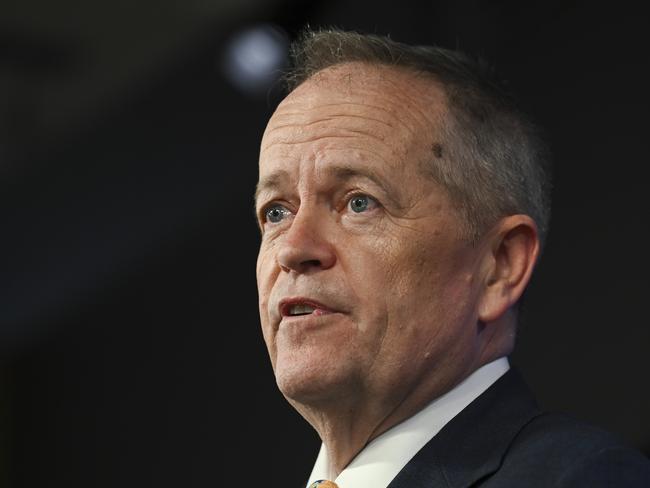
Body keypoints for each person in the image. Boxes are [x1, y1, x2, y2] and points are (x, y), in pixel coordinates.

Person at [253, 28, 650, 487]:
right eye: (276, 211)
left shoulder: (582, 478)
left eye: (359, 202)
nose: (293, 248)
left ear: (499, 265)